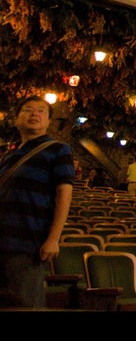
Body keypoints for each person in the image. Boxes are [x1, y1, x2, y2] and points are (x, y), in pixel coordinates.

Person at [0, 96, 75, 308]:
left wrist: (54, 238)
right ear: (16, 119)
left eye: (41, 111)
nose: (35, 113)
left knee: (26, 303)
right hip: (3, 239)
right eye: (28, 109)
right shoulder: (9, 156)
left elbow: (64, 194)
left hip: (28, 243)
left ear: (48, 120)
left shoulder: (58, 149)